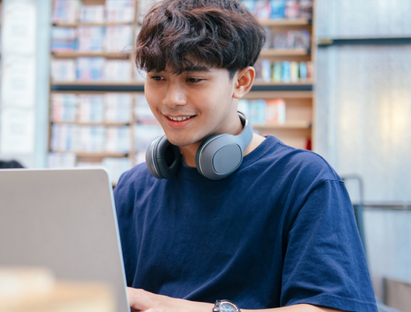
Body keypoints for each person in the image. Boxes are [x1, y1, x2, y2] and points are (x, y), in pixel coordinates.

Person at [114, 0, 377, 311]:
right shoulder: (132, 188)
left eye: (194, 79)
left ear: (241, 82)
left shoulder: (305, 180)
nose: (172, 99)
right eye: (157, 78)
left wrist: (172, 307)